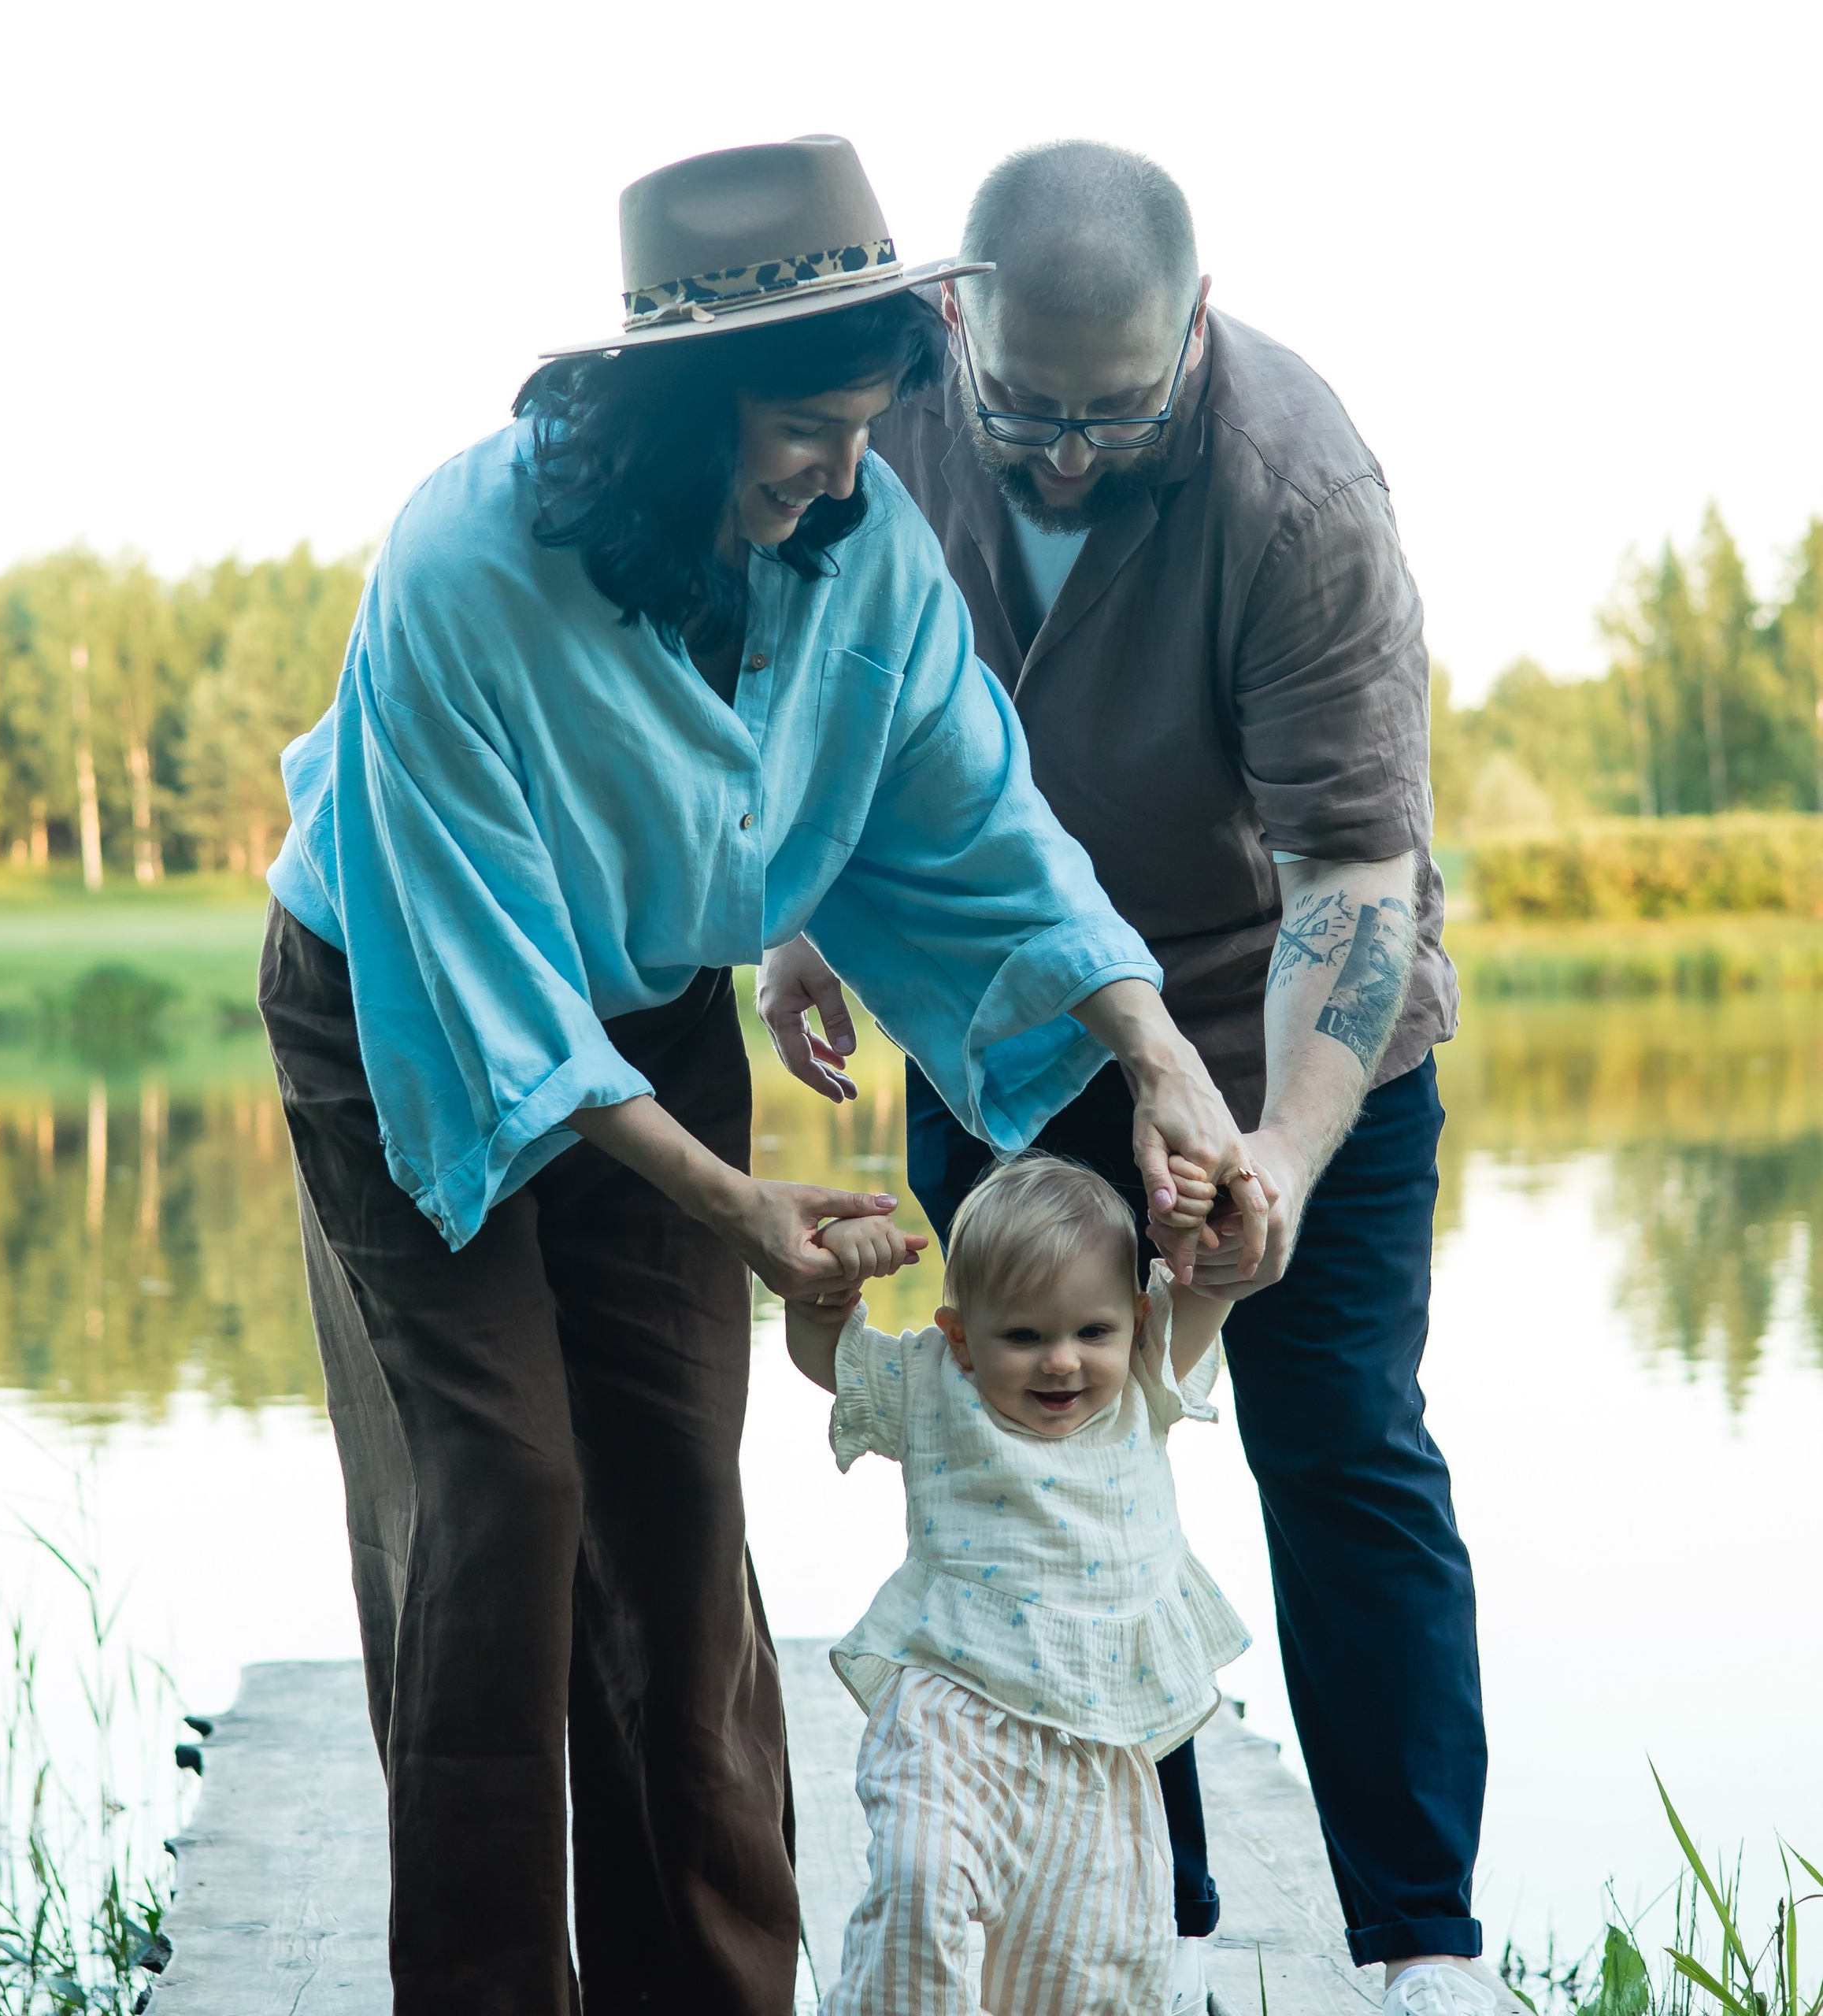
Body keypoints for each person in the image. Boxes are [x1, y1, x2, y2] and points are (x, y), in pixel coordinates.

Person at [258, 135, 1267, 2015]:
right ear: (674, 409)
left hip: (644, 1008)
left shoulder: (855, 543)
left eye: (866, 425)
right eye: (805, 428)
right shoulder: (465, 562)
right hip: (398, 997)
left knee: (671, 1501)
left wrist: (1154, 1058)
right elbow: (470, 974)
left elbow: (974, 819)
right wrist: (731, 1203)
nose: (845, 468)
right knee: (503, 1488)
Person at [758, 139, 1492, 2016]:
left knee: (1334, 1435)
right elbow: (839, 686)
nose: (1064, 451)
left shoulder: (1297, 486)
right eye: (1025, 408)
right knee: (1047, 1431)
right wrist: (810, 911)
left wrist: (1281, 1154)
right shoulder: (893, 411)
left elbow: (1352, 868)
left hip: (1283, 999)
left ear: (1191, 322)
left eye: (1113, 410)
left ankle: (1416, 1939)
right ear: (956, 314)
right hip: (1013, 1009)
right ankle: (1128, 1906)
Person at [780, 1155, 1248, 2016]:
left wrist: (1210, 1219)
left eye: (1091, 1333)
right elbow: (826, 1359)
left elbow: (1214, 1284)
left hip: (1095, 1725)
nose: (1062, 1362)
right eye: (1024, 1337)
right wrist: (828, 1292)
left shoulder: (1144, 1379)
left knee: (1077, 1953)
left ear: (1136, 1321)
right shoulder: (933, 1381)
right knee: (921, 1881)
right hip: (949, 1709)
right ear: (959, 1334)